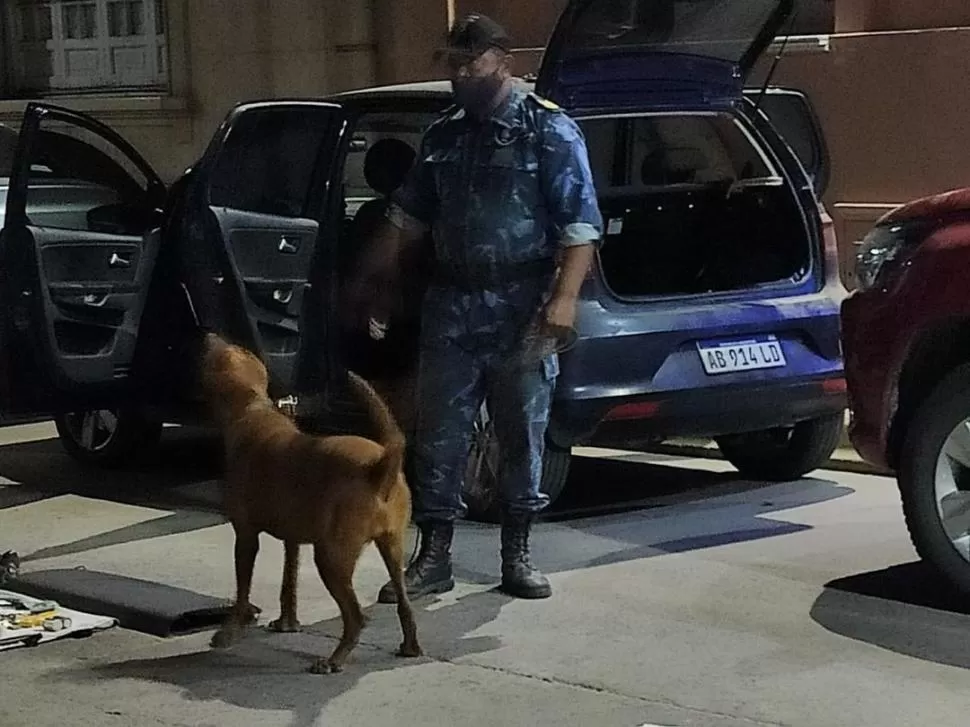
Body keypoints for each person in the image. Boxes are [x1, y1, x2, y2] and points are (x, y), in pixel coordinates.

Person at [355, 12, 603, 601]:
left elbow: (580, 225)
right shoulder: (444, 134)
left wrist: (564, 301)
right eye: (455, 63)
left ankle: (516, 553)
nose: (462, 74)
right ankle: (434, 553)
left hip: (522, 307)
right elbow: (408, 218)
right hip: (452, 302)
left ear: (504, 61)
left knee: (520, 432)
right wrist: (385, 287)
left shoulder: (548, 132)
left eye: (474, 62)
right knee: (441, 434)